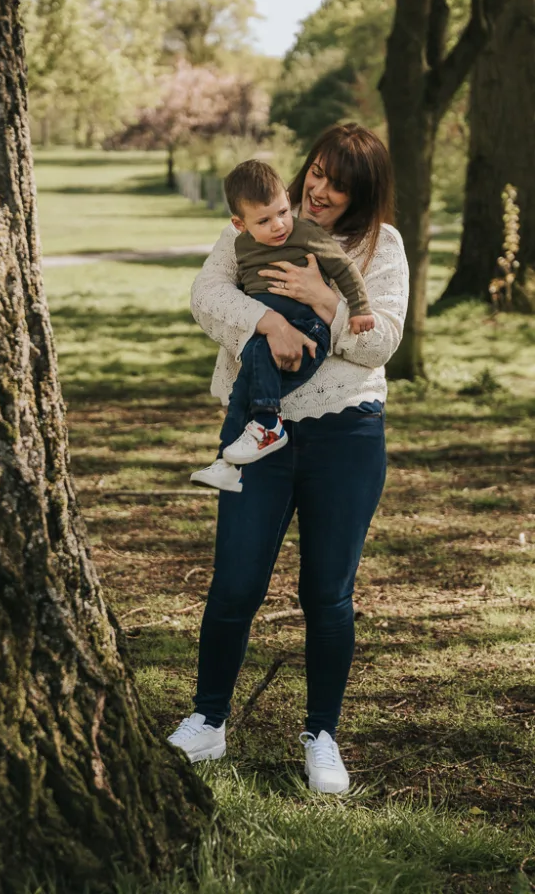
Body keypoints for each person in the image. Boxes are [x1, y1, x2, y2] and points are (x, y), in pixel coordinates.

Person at [168, 123, 409, 794]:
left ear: (363, 192)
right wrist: (267, 323)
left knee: (326, 594)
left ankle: (322, 736)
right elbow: (207, 298)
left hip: (346, 437)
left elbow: (379, 340)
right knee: (234, 584)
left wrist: (320, 298)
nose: (320, 189)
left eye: (339, 182)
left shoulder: (379, 246)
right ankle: (208, 721)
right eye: (318, 173)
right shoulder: (257, 222)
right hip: (256, 432)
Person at [190, 158, 375, 490]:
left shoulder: (305, 233)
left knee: (248, 391)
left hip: (307, 329)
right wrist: (267, 323)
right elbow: (209, 293)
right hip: (263, 337)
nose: (278, 225)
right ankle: (228, 463)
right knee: (240, 394)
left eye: (282, 212)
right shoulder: (238, 245)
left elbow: (345, 268)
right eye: (264, 220)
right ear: (240, 224)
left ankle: (265, 425)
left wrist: (359, 310)